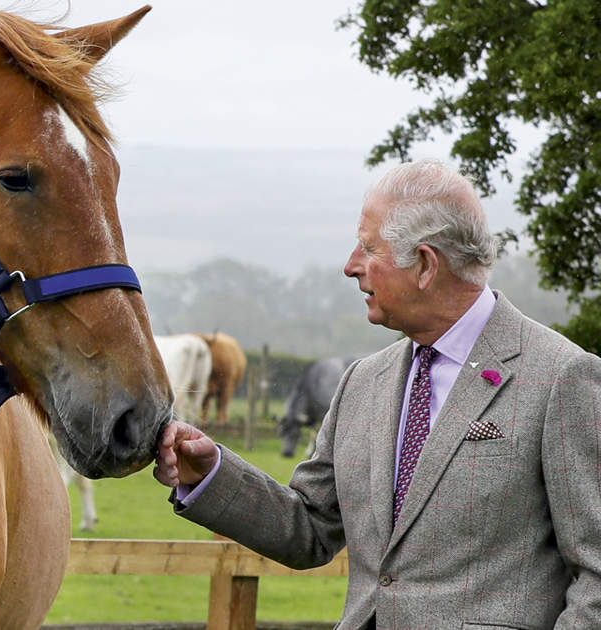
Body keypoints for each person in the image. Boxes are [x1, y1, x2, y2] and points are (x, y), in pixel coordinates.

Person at [155, 159, 601, 629]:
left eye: (369, 248)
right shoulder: (362, 382)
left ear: (425, 265)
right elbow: (308, 528)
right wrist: (211, 474)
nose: (351, 266)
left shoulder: (562, 377)